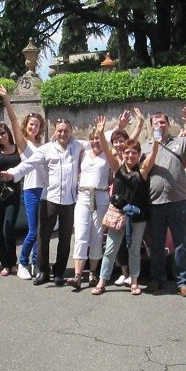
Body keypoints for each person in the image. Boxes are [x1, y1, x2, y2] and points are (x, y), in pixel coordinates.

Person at [0, 118, 84, 287]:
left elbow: (100, 140)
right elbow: (28, 164)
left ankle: (59, 272)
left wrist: (119, 127)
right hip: (49, 199)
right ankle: (43, 271)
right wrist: (12, 174)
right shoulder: (46, 149)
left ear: (70, 131)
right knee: (42, 236)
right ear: (54, 131)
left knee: (65, 238)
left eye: (66, 131)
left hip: (69, 200)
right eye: (59, 130)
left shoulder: (78, 146)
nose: (63, 134)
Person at [142, 107, 186, 297]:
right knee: (157, 243)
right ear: (151, 127)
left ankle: (183, 281)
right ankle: (157, 278)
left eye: (163, 122)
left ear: (168, 124)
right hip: (155, 203)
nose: (160, 125)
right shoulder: (145, 147)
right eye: (156, 123)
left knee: (181, 243)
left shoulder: (180, 143)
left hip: (178, 202)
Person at [91, 119, 159, 295]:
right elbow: (106, 151)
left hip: (138, 216)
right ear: (123, 154)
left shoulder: (143, 171)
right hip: (119, 213)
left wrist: (156, 141)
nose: (130, 156)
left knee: (135, 250)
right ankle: (102, 281)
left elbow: (152, 157)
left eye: (134, 153)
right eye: (127, 153)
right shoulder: (117, 168)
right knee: (111, 249)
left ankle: (134, 282)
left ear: (138, 154)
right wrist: (100, 132)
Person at [0, 85, 46, 280]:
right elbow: (13, 120)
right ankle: (22, 262)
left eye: (37, 125)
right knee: (33, 231)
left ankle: (36, 263)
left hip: (46, 191)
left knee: (42, 231)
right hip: (31, 190)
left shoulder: (44, 145)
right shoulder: (23, 144)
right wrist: (6, 98)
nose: (34, 127)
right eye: (31, 124)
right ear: (26, 126)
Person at [68, 117, 112, 290]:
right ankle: (78, 275)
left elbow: (114, 136)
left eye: (98, 138)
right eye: (92, 138)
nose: (95, 141)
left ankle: (93, 272)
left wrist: (106, 131)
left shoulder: (108, 154)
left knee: (96, 236)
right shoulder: (83, 152)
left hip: (101, 196)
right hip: (83, 195)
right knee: (80, 235)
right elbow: (66, 138)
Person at [104, 109, 145, 286]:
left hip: (132, 203)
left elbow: (132, 140)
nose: (119, 144)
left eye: (121, 141)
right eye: (115, 142)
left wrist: (140, 124)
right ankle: (123, 272)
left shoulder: (131, 156)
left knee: (132, 242)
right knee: (116, 243)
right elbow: (105, 144)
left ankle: (132, 276)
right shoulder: (114, 157)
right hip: (115, 201)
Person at [0, 122, 23, 276]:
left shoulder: (18, 149)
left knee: (8, 227)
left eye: (3, 133)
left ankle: (13, 262)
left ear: (8, 133)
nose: (1, 137)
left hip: (13, 194)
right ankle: (5, 265)